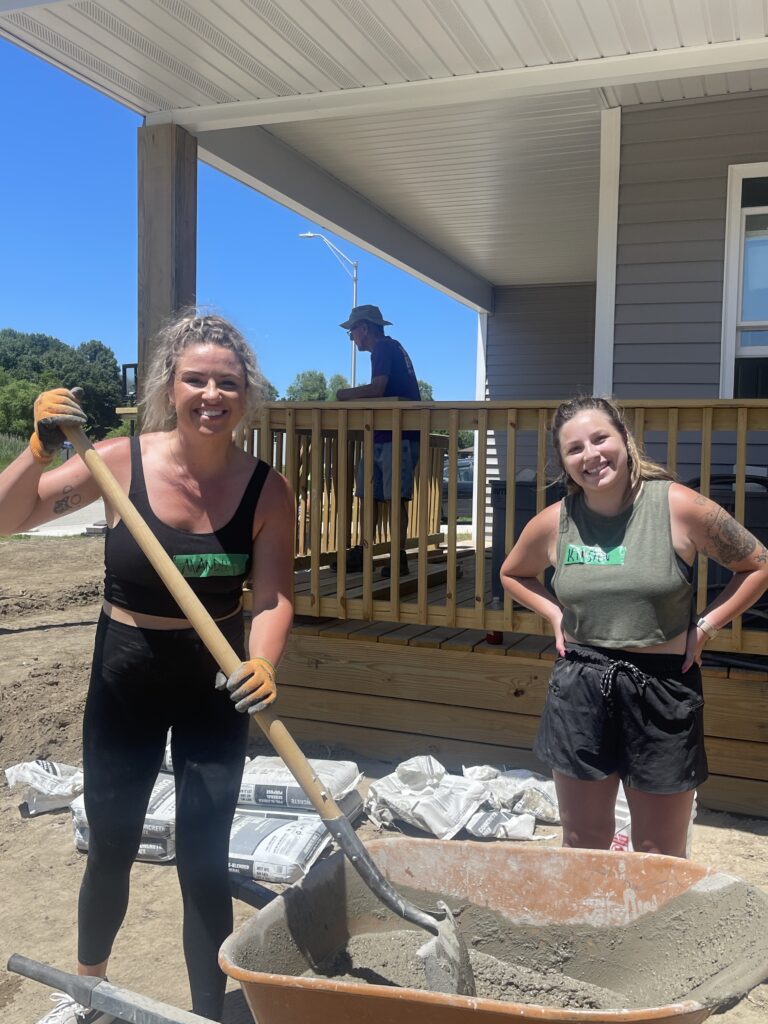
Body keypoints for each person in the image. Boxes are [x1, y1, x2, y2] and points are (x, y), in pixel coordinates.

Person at [0, 312, 295, 1024]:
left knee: (202, 860)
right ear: (171, 384)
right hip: (125, 674)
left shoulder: (267, 490)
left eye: (227, 383)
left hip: (215, 685)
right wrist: (35, 454)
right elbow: (8, 518)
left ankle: (202, 1013)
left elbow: (276, 595)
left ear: (245, 396)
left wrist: (263, 661)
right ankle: (85, 992)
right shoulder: (117, 460)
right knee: (111, 846)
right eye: (196, 379)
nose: (210, 394)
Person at [500, 395, 768, 859]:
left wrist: (705, 627)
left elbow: (757, 564)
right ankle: (590, 932)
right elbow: (512, 573)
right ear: (564, 463)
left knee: (658, 853)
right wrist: (555, 613)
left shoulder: (677, 507)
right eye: (575, 448)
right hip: (581, 688)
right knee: (582, 845)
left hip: (662, 693)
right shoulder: (555, 522)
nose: (592, 455)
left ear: (624, 439)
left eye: (600, 438)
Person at [334, 304, 420, 578]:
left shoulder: (383, 348)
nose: (352, 338)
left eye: (352, 332)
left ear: (364, 328)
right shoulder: (390, 348)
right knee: (369, 495)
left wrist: (343, 394)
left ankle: (398, 557)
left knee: (395, 499)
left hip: (398, 436)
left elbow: (378, 388)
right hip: (382, 434)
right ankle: (365, 551)